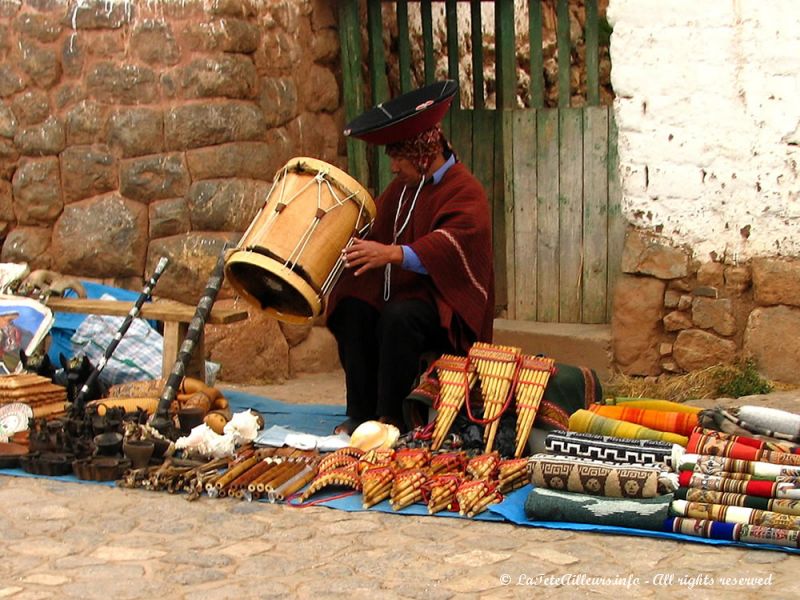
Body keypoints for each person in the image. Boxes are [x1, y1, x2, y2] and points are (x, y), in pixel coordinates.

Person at [326, 80, 495, 435]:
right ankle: (361, 412)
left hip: (442, 304)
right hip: (399, 294)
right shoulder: (402, 188)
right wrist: (351, 247)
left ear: (421, 156)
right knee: (351, 306)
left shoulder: (465, 190)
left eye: (398, 160)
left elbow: (453, 244)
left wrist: (391, 254)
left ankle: (392, 418)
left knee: (399, 317)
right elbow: (376, 228)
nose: (393, 169)